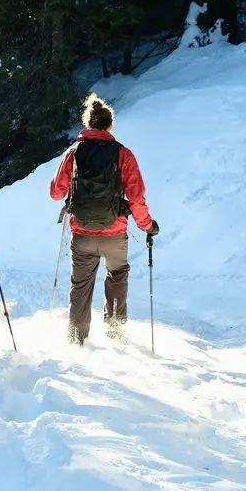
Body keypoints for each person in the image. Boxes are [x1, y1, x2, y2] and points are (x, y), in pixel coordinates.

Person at [49, 92, 158, 346]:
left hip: (82, 234)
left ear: (88, 125)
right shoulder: (123, 154)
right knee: (117, 277)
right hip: (114, 233)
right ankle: (116, 336)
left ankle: (76, 340)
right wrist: (147, 226)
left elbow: (56, 193)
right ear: (110, 126)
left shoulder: (74, 153)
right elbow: (136, 197)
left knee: (80, 286)